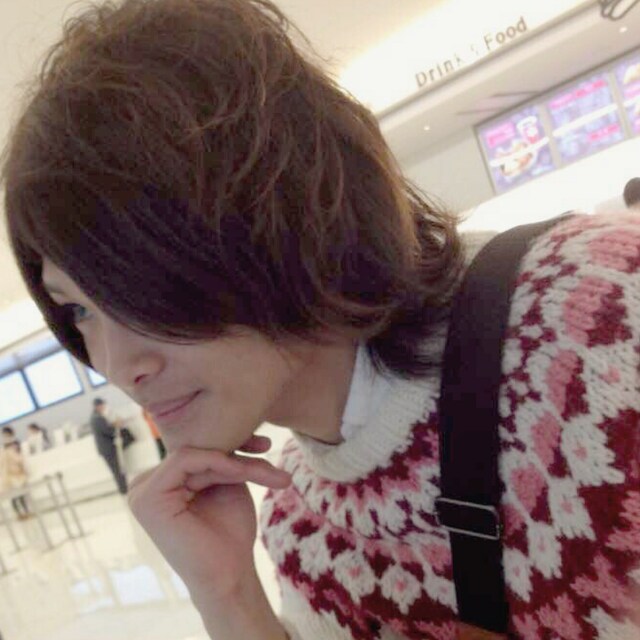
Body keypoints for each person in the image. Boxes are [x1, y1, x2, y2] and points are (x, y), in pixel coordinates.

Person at [2, 1, 638, 638]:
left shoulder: (599, 314)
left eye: (134, 288)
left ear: (272, 218)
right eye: (79, 310)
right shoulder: (301, 528)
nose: (119, 366)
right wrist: (227, 595)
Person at [89, 398, 128, 495]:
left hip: (106, 449)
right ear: (98, 406)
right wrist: (117, 425)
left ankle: (124, 489)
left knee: (117, 470)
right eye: (103, 406)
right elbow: (108, 431)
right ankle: (124, 490)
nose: (104, 408)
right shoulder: (97, 418)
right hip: (108, 449)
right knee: (117, 470)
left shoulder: (96, 417)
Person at [0, 427, 30, 519]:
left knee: (21, 494)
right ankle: (18, 514)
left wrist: (23, 469)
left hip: (17, 473)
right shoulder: (4, 447)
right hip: (9, 474)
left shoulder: (15, 443)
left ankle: (26, 512)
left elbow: (20, 459)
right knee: (13, 496)